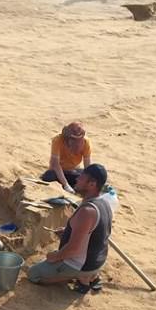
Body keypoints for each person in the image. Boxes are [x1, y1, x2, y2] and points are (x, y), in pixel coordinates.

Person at [28, 164, 112, 293]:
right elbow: (94, 234)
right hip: (97, 260)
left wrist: (55, 257)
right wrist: (67, 232)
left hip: (81, 265)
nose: (77, 179)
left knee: (34, 274)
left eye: (82, 178)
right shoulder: (104, 202)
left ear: (92, 184)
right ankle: (89, 275)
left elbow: (73, 249)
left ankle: (80, 277)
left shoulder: (87, 211)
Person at [41, 122, 92, 194]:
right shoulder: (57, 140)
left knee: (85, 177)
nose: (77, 143)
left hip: (72, 171)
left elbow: (87, 165)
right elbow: (55, 164)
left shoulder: (86, 142)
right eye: (74, 140)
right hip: (58, 172)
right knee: (48, 176)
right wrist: (66, 185)